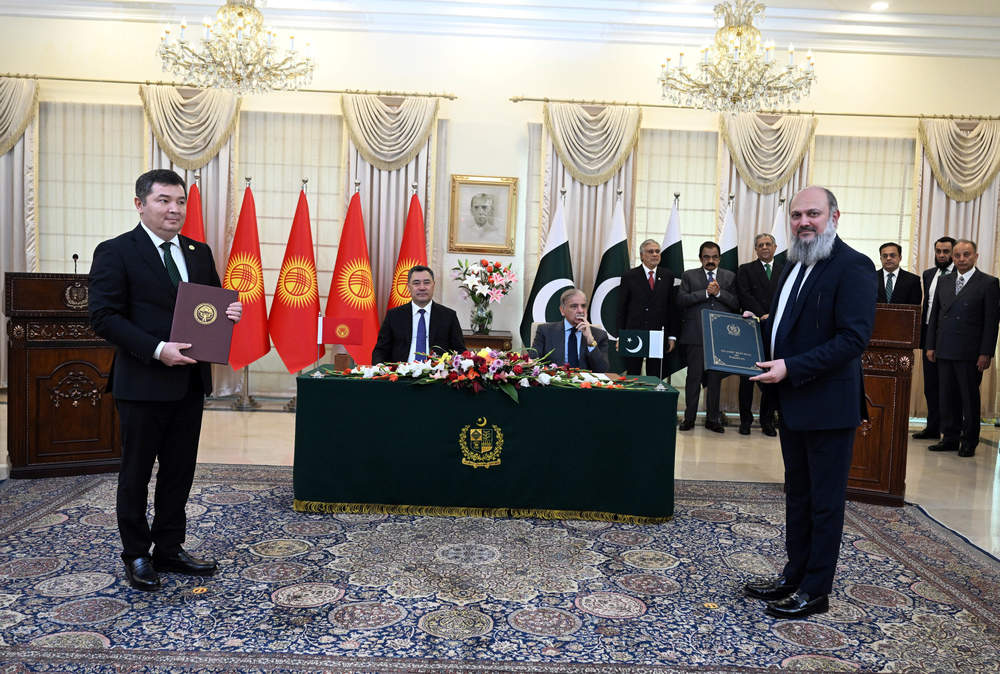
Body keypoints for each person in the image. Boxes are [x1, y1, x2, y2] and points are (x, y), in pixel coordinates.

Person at [89, 168, 243, 592]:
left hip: (189, 383)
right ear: (140, 204)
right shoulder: (116, 251)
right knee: (136, 474)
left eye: (180, 201)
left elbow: (211, 308)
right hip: (142, 382)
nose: (174, 209)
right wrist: (158, 349)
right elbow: (103, 317)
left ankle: (170, 548)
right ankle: (136, 554)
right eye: (163, 200)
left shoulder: (198, 252)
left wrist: (230, 314)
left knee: (179, 472)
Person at [743, 186, 876, 619]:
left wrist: (791, 367)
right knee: (798, 495)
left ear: (834, 217)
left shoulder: (854, 265)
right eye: (797, 214)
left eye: (813, 214)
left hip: (828, 405)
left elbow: (853, 339)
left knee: (824, 502)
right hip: (792, 401)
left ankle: (816, 590)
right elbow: (786, 324)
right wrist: (751, 335)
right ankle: (793, 576)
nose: (803, 222)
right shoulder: (790, 262)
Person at [926, 239, 1000, 458]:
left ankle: (968, 441)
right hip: (944, 348)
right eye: (957, 255)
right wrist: (931, 346)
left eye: (966, 255)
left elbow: (991, 322)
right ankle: (949, 438)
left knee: (969, 399)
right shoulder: (944, 280)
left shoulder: (988, 282)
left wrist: (986, 353)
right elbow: (935, 315)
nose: (961, 259)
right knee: (946, 397)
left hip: (970, 352)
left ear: (975, 257)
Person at [676, 242, 738, 433]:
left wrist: (718, 293)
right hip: (695, 335)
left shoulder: (730, 276)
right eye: (706, 257)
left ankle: (712, 419)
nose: (710, 261)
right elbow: (681, 300)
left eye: (714, 257)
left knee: (714, 380)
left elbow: (736, 304)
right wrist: (705, 293)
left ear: (719, 258)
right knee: (693, 378)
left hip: (719, 337)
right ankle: (689, 419)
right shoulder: (689, 275)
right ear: (700, 258)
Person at [736, 233, 783, 436]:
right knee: (747, 377)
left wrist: (772, 316)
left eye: (768, 244)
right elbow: (744, 295)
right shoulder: (745, 269)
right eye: (760, 245)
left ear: (775, 247)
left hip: (775, 329)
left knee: (770, 377)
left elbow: (786, 297)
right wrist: (762, 314)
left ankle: (767, 421)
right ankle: (745, 421)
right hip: (751, 328)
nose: (764, 247)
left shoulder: (785, 270)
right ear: (755, 249)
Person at [372, 265, 465, 364]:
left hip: (437, 371)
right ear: (408, 287)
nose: (422, 288)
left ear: (433, 285)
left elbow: (459, 350)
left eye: (426, 283)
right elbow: (381, 350)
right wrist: (380, 366)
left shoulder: (448, 316)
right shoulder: (394, 315)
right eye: (416, 283)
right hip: (401, 371)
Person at [615, 239, 678, 378]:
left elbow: (671, 308)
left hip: (657, 333)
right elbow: (621, 308)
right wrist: (620, 336)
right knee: (633, 375)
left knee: (655, 376)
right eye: (651, 251)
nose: (655, 254)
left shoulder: (667, 276)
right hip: (634, 332)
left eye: (657, 251)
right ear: (642, 255)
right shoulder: (629, 276)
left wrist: (671, 336)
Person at [913, 237, 955, 440]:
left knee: (949, 386)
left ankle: (950, 431)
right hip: (929, 334)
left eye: (946, 251)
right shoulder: (929, 274)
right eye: (938, 251)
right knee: (931, 385)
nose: (941, 255)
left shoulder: (961, 275)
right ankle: (932, 427)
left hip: (951, 336)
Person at [532, 288, 610, 372]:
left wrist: (590, 340)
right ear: (563, 310)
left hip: (585, 379)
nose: (580, 310)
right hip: (556, 378)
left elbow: (603, 370)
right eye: (574, 306)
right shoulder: (545, 331)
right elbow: (533, 362)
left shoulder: (599, 335)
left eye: (583, 306)